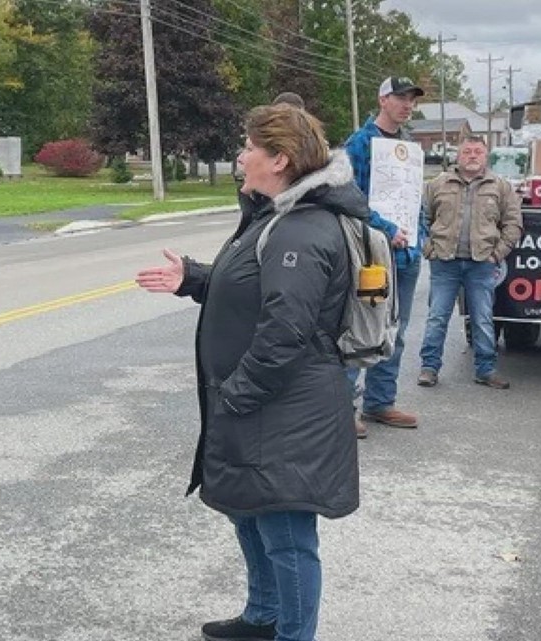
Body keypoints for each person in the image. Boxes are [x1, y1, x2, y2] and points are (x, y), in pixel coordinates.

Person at [136, 103, 361, 641]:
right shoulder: (275, 218)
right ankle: (264, 615)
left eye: (249, 148)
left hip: (283, 407)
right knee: (250, 512)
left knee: (286, 529)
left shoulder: (302, 229)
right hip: (261, 404)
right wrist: (192, 277)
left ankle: (292, 633)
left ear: (279, 159)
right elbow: (249, 288)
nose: (240, 156)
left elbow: (288, 329)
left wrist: (237, 392)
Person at [343, 76, 429, 432]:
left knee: (397, 330)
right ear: (382, 100)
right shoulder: (360, 144)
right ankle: (344, 408)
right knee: (361, 327)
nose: (407, 104)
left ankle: (380, 403)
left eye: (411, 99)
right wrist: (387, 230)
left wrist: (419, 233)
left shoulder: (409, 146)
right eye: (400, 97)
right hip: (374, 254)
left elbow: (415, 197)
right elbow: (350, 198)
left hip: (406, 257)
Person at [417, 136, 522, 388]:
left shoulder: (500, 186)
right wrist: (428, 248)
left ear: (486, 157)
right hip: (444, 262)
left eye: (477, 152)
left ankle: (485, 370)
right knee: (437, 316)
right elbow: (421, 218)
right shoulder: (437, 184)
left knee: (483, 317)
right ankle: (429, 368)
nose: (472, 156)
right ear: (457, 156)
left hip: (482, 264)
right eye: (467, 152)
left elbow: (513, 223)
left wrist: (497, 254)